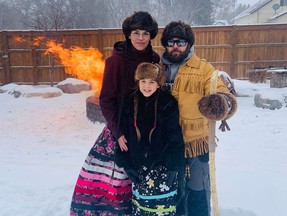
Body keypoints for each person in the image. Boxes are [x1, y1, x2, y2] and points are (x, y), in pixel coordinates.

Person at [70, 11, 160, 216]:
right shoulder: (116, 62)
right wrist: (118, 132)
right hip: (120, 131)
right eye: (136, 32)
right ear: (128, 34)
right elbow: (106, 100)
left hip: (146, 130)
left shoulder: (155, 60)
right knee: (115, 181)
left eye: (145, 33)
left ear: (150, 36)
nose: (140, 38)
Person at [160, 21, 238, 216]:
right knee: (170, 194)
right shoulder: (157, 70)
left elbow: (226, 97)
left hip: (195, 144)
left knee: (198, 192)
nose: (175, 46)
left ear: (189, 44)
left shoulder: (204, 70)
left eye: (181, 42)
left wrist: (220, 104)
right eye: (171, 42)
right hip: (165, 144)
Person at [115, 62, 185, 215]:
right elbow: (123, 134)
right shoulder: (129, 101)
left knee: (162, 207)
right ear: (138, 82)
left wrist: (174, 165)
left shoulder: (168, 102)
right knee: (142, 206)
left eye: (152, 82)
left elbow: (175, 134)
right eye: (143, 81)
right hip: (138, 165)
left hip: (163, 165)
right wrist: (126, 163)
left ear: (159, 84)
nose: (147, 86)